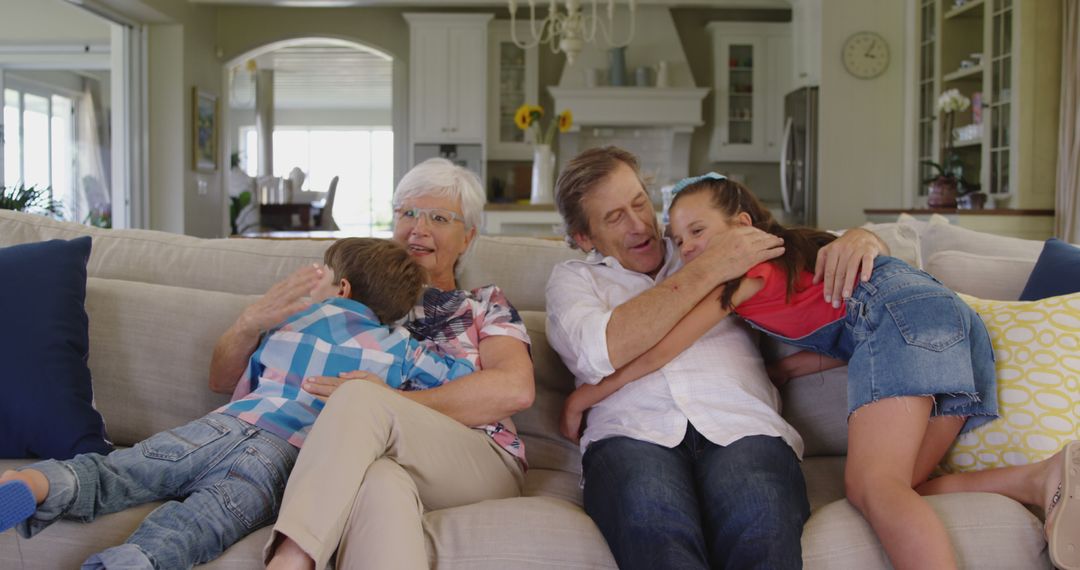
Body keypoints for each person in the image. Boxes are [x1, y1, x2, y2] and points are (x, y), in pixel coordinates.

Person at [0, 237, 475, 569]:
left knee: (124, 471)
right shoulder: (402, 348)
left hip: (224, 424)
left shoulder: (291, 320)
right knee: (202, 524)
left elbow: (239, 381)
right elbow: (462, 381)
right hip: (282, 457)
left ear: (342, 289)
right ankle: (131, 561)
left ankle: (35, 481)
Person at [545, 146, 889, 570]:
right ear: (584, 237)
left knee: (761, 525)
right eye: (615, 217)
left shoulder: (702, 236)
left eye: (640, 204)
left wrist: (864, 238)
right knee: (657, 531)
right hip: (631, 433)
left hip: (741, 421)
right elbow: (603, 350)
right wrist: (710, 269)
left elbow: (804, 248)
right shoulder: (574, 281)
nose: (640, 226)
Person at [205, 158, 534, 570]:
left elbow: (514, 389)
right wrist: (247, 323)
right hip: (376, 458)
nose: (419, 228)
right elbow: (222, 379)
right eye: (408, 213)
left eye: (438, 217)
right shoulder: (349, 294)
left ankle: (291, 560)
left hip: (475, 456)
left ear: (467, 237)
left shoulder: (483, 304)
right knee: (379, 483)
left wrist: (391, 400)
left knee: (360, 397)